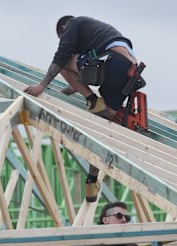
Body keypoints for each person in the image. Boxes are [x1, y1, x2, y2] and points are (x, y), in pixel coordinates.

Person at [24, 16, 141, 203]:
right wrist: (73, 87)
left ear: (63, 28)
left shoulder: (72, 24)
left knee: (64, 63)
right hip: (129, 72)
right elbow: (88, 71)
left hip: (111, 63)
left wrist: (42, 85)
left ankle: (93, 100)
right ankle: (92, 179)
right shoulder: (100, 34)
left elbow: (62, 56)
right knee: (102, 121)